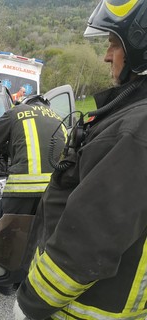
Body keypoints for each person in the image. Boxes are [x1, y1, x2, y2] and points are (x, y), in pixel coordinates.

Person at [14, 1, 147, 319]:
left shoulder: (136, 130)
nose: (106, 54)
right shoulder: (131, 117)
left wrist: (33, 302)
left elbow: (90, 237)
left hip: (82, 309)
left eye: (114, 43)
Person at [0, 99, 66, 215]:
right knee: (42, 230)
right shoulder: (58, 118)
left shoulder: (16, 111)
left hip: (21, 187)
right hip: (54, 189)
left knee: (5, 228)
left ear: (27, 102)